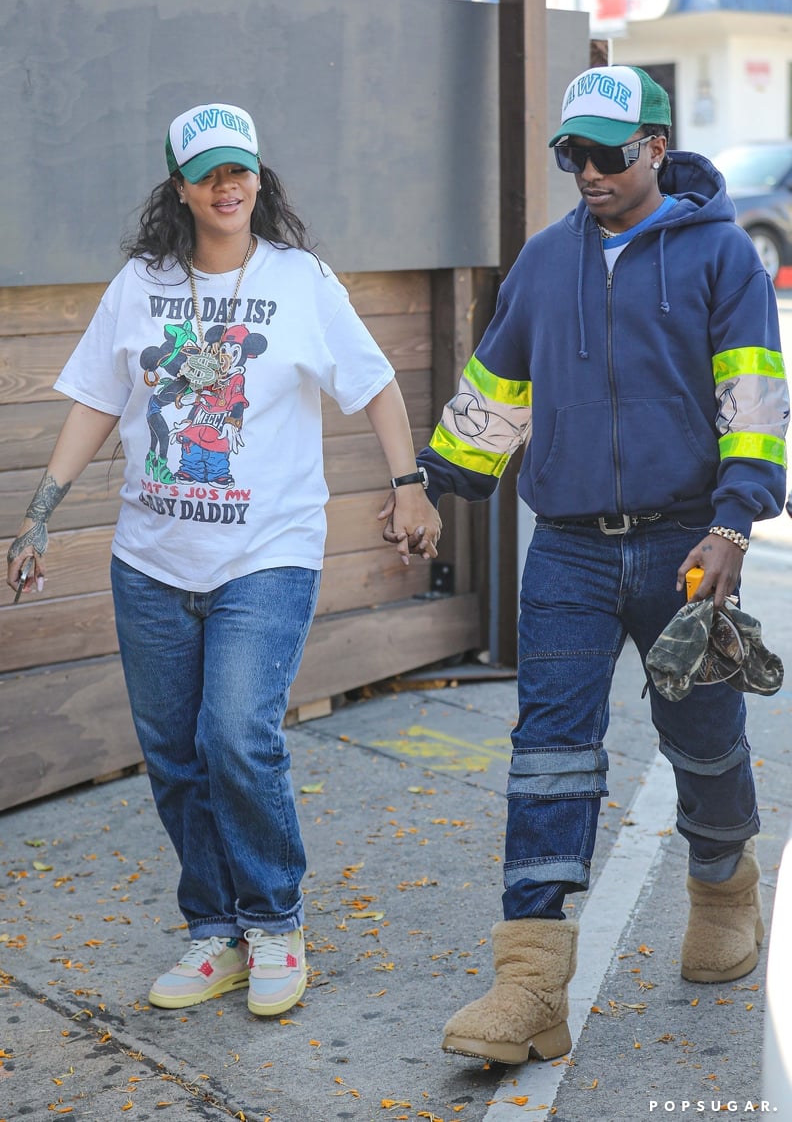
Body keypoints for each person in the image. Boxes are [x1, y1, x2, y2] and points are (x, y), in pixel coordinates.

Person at [6, 102, 441, 1018]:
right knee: (173, 755)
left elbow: (376, 383)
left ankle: (275, 923)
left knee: (236, 736)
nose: (227, 186)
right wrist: (39, 515)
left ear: (259, 176)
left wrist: (409, 484)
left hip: (267, 553)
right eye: (207, 174)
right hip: (151, 558)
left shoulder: (301, 281)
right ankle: (217, 933)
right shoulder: (141, 284)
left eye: (240, 169)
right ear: (179, 188)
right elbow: (94, 398)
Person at [391, 65, 788, 1064]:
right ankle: (530, 985)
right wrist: (437, 482)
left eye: (607, 153)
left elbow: (756, 403)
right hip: (564, 548)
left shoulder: (723, 259)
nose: (587, 172)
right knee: (548, 753)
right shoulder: (543, 261)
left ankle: (722, 882)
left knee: (702, 737)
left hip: (685, 543)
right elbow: (498, 385)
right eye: (571, 153)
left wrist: (735, 529)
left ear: (656, 147)